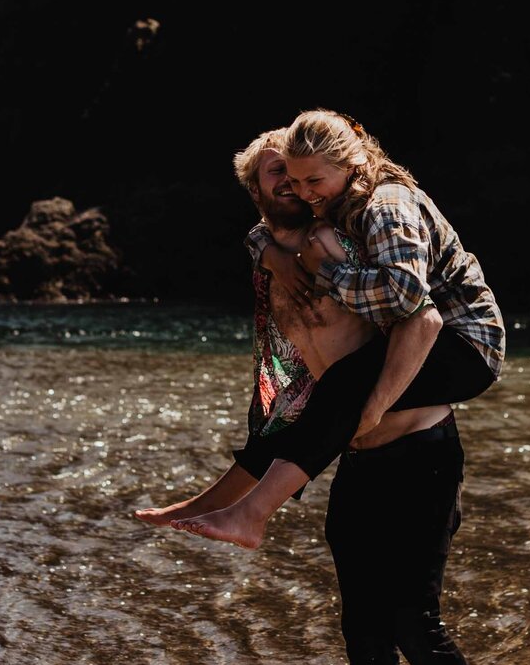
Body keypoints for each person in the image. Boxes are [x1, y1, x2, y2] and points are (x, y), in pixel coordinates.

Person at [144, 122, 514, 665]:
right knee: (363, 632)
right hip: (359, 463)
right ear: (258, 192)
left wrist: (368, 407)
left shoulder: (346, 238)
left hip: (420, 450)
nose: (293, 187)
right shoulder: (279, 269)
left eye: (301, 175)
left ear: (328, 178)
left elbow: (420, 317)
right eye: (277, 178)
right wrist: (193, 505)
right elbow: (286, 415)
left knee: (414, 620)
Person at [179, 109, 505, 551]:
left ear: (350, 164)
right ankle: (231, 509)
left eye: (312, 181)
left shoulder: (386, 205)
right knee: (319, 396)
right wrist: (269, 253)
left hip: (469, 342)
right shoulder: (339, 207)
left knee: (344, 384)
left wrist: (327, 273)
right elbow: (266, 230)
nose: (302, 192)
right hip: (425, 358)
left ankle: (251, 514)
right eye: (294, 181)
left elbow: (406, 296)